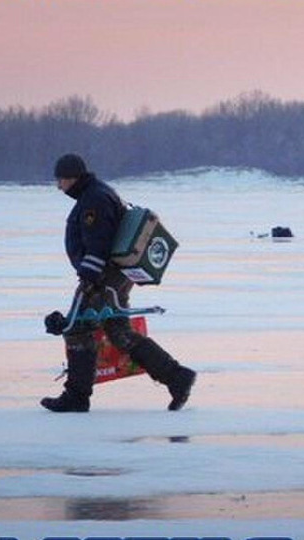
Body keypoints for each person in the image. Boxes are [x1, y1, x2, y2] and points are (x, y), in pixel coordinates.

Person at [41, 153, 196, 413]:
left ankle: (77, 396)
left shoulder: (94, 200)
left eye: (61, 180)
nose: (59, 186)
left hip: (103, 276)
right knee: (119, 333)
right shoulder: (97, 194)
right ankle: (177, 377)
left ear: (72, 177)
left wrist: (91, 279)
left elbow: (98, 242)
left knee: (78, 328)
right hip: (115, 275)